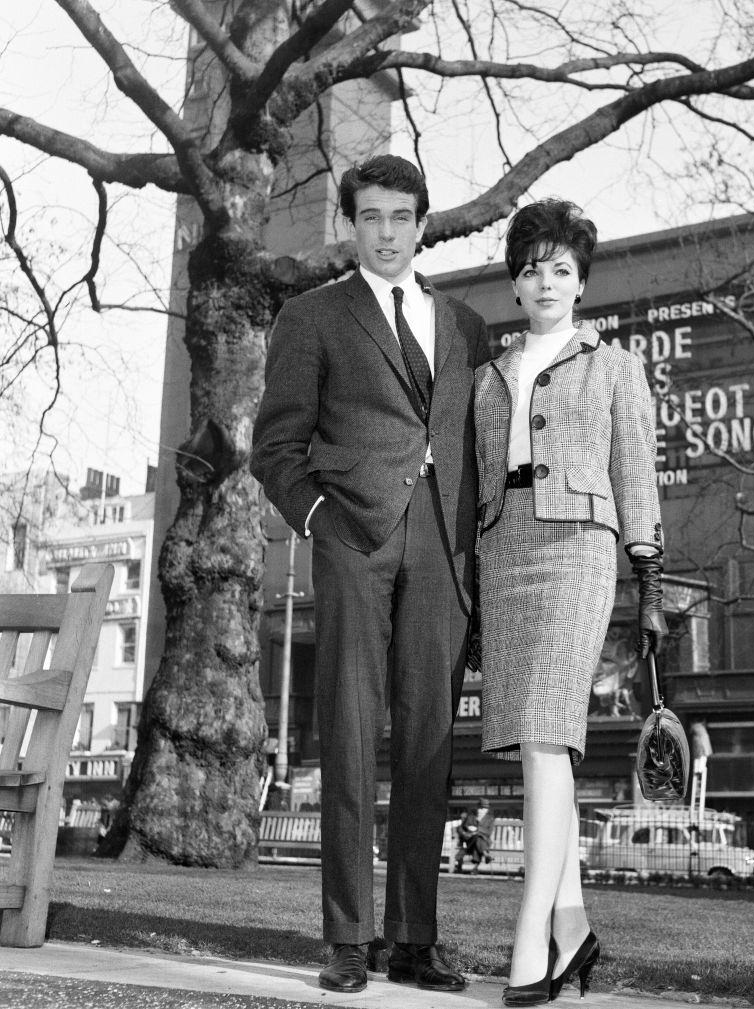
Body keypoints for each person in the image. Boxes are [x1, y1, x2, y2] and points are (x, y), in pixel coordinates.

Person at [251, 154, 491, 995]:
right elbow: (274, 446)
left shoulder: (465, 325)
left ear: (423, 223)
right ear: (351, 224)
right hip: (351, 537)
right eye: (371, 217)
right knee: (350, 736)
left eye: (401, 216)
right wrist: (319, 522)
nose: (387, 232)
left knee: (430, 741)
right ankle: (347, 939)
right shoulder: (312, 317)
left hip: (442, 544)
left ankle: (414, 939)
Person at [474, 198, 667, 1006]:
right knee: (532, 744)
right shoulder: (487, 377)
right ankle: (573, 928)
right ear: (515, 284)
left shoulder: (616, 367)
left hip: (581, 552)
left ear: (581, 281)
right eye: (530, 268)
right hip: (503, 550)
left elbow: (637, 475)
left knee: (549, 735)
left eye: (560, 268)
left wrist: (649, 578)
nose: (545, 281)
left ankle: (529, 940)